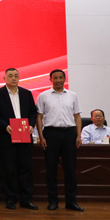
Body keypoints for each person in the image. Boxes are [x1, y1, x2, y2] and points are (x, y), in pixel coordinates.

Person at [36, 69, 84, 212]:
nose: (58, 80)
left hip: (69, 133)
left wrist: (78, 135)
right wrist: (41, 136)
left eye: (60, 77)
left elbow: (77, 116)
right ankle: (53, 201)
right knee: (51, 169)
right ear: (50, 80)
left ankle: (71, 201)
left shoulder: (72, 95)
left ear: (64, 79)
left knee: (70, 169)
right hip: (51, 134)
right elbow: (39, 117)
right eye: (55, 78)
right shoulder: (43, 96)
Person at [0, 68, 39, 210]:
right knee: (8, 169)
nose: (13, 78)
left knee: (26, 168)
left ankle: (26, 200)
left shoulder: (26, 93)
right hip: (7, 136)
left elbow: (33, 112)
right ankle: (10, 199)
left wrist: (31, 125)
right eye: (10, 76)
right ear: (4, 78)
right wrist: (5, 126)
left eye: (16, 76)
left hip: (24, 135)